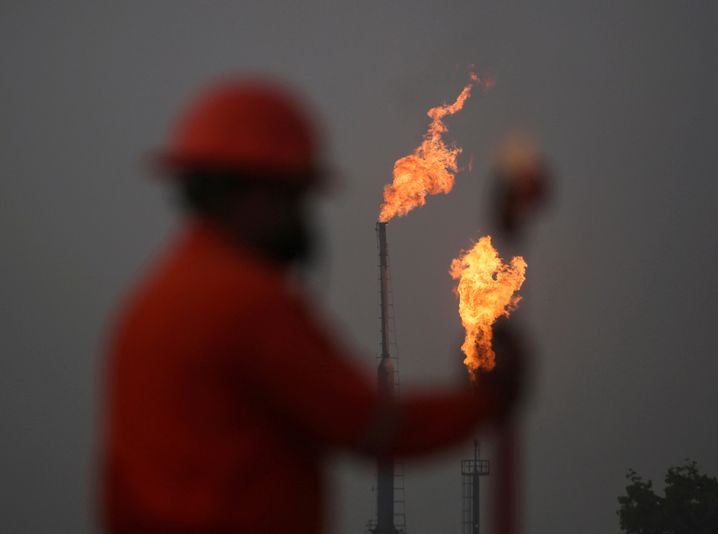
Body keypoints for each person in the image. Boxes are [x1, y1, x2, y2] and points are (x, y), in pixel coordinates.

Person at [100, 77, 524, 534]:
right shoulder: (247, 305)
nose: (303, 217)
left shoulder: (149, 305)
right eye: (296, 196)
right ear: (257, 193)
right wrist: (482, 401)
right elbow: (366, 421)